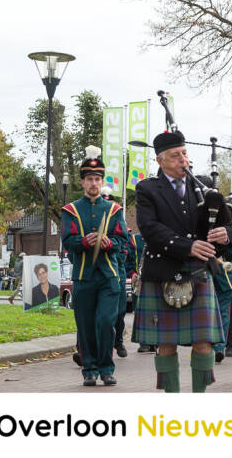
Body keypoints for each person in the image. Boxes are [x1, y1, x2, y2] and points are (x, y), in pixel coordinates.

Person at [131, 131, 232, 393]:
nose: (183, 160)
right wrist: (188, 246)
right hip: (163, 272)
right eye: (175, 156)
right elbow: (149, 228)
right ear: (161, 161)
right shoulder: (147, 189)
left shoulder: (203, 185)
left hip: (197, 272)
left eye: (185, 153)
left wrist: (228, 233)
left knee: (203, 342)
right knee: (166, 344)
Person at [61, 146, 127, 387]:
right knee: (86, 324)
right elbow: (67, 240)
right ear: (82, 182)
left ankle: (107, 368)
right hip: (83, 275)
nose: (93, 183)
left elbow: (123, 241)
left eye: (97, 179)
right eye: (89, 179)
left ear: (102, 181)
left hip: (109, 276)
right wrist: (83, 241)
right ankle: (89, 370)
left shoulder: (114, 209)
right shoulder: (71, 210)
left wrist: (110, 243)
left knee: (105, 321)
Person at [101, 187, 130, 358]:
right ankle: (83, 348)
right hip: (95, 268)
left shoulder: (119, 220)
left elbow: (123, 244)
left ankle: (118, 341)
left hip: (116, 270)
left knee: (119, 310)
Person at [125, 229, 152, 353]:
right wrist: (132, 272)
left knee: (155, 312)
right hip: (139, 282)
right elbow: (128, 259)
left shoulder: (159, 236)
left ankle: (155, 342)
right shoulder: (134, 239)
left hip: (155, 279)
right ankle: (144, 343)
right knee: (140, 312)